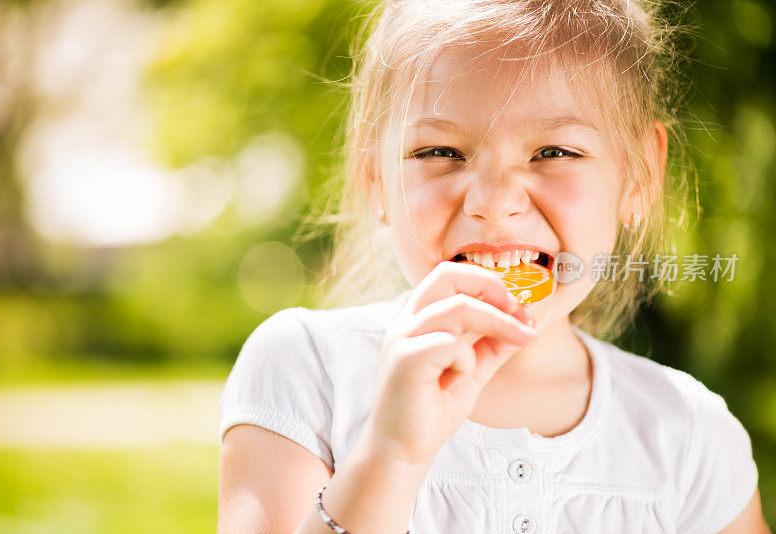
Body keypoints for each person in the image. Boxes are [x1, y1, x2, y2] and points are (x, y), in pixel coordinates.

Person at [217, 1, 770, 532]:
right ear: (374, 175)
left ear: (642, 174)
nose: (495, 200)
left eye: (555, 152)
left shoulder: (691, 431)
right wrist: (390, 456)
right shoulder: (307, 370)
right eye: (440, 153)